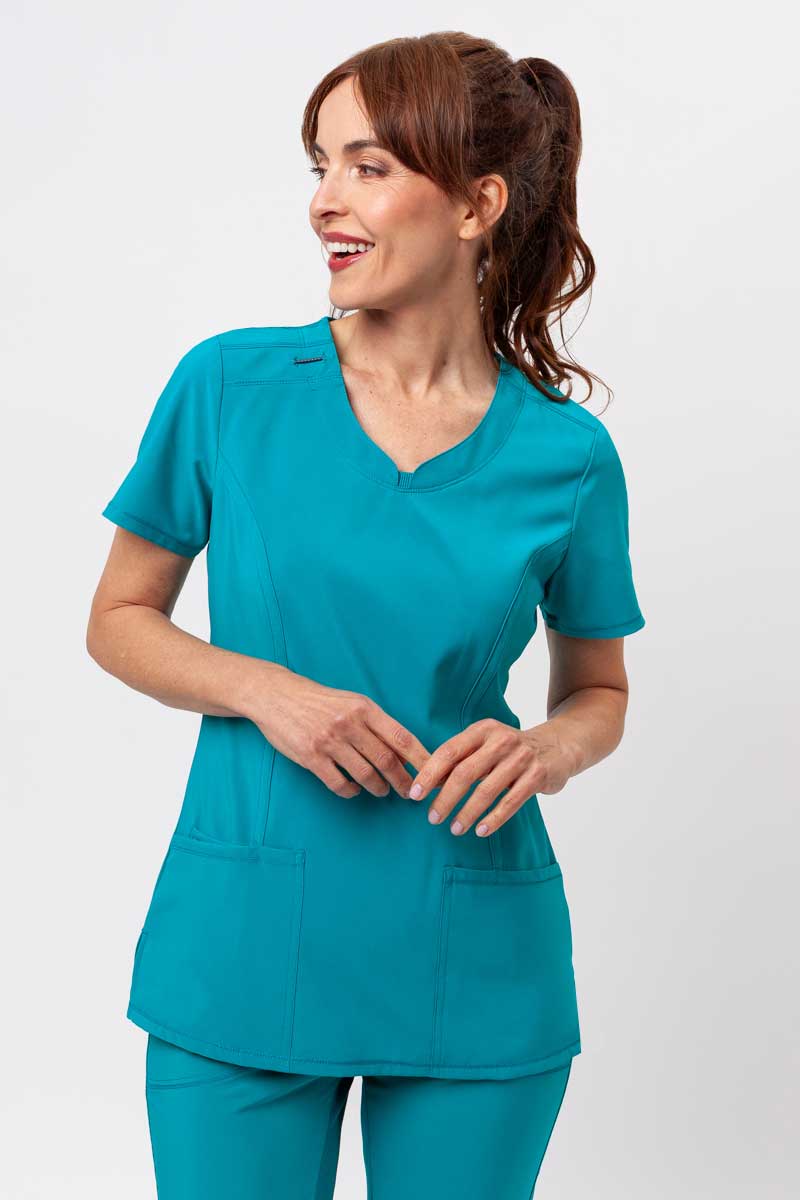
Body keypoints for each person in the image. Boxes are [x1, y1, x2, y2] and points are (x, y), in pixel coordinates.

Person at [87, 31, 646, 1200]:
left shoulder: (565, 456)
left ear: (475, 205)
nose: (324, 202)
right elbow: (120, 616)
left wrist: (548, 749)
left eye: (368, 167)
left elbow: (596, 689)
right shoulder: (229, 387)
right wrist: (264, 690)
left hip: (473, 953)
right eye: (320, 165)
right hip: (243, 943)